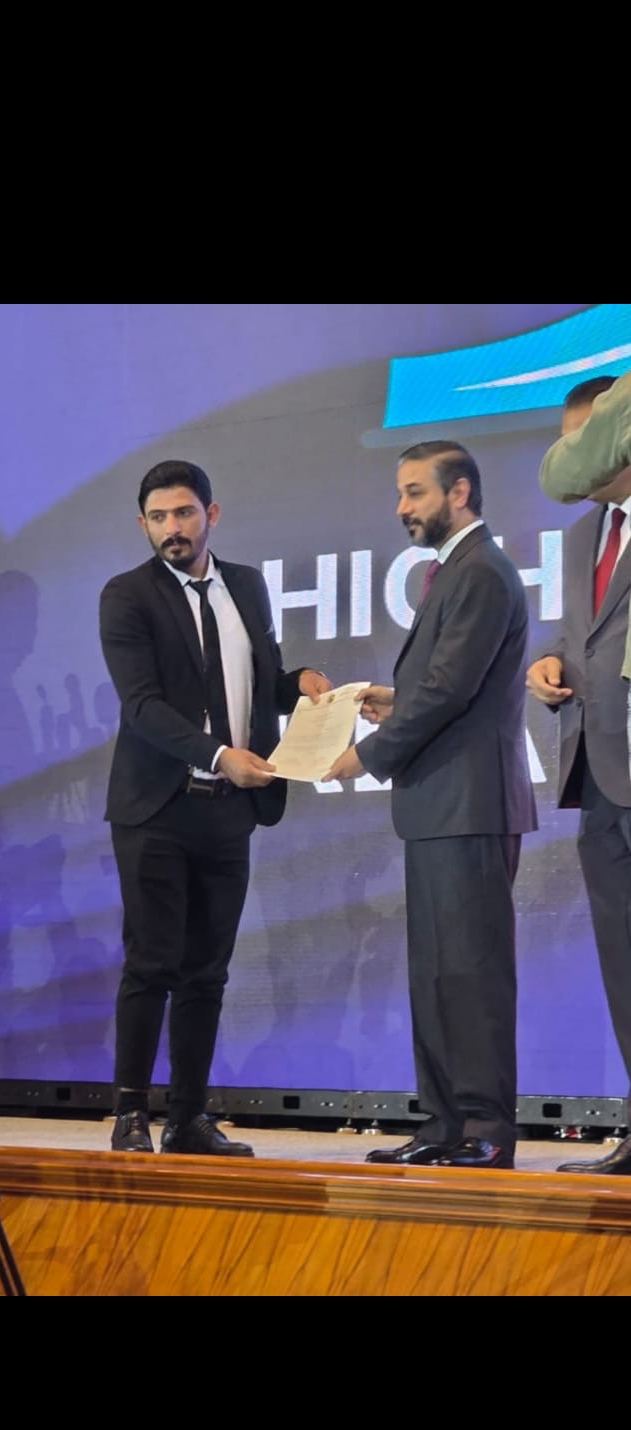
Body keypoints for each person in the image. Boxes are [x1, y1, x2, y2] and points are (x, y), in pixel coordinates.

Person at [100, 460, 331, 1155]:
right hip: (157, 808)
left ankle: (188, 1118)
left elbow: (255, 685)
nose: (172, 528)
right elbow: (142, 707)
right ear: (143, 524)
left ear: (212, 514)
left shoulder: (248, 586)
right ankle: (131, 1114)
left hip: (230, 810)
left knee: (207, 971)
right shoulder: (126, 596)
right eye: (158, 517)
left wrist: (298, 683)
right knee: (152, 964)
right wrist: (217, 753)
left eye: (184, 513)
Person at [325, 441, 537, 1169]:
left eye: (415, 492)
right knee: (438, 974)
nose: (402, 508)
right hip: (441, 805)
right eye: (401, 493)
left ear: (460, 492)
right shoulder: (458, 570)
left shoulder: (480, 570)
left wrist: (366, 755)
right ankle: (445, 1124)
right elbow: (446, 688)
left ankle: (485, 1129)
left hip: (470, 804)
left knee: (471, 973)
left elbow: (449, 690)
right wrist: (395, 701)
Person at [530, 375, 631, 1174]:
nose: (574, 459)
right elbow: (580, 635)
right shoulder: (577, 538)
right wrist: (550, 663)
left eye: (586, 441)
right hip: (597, 774)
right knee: (623, 964)